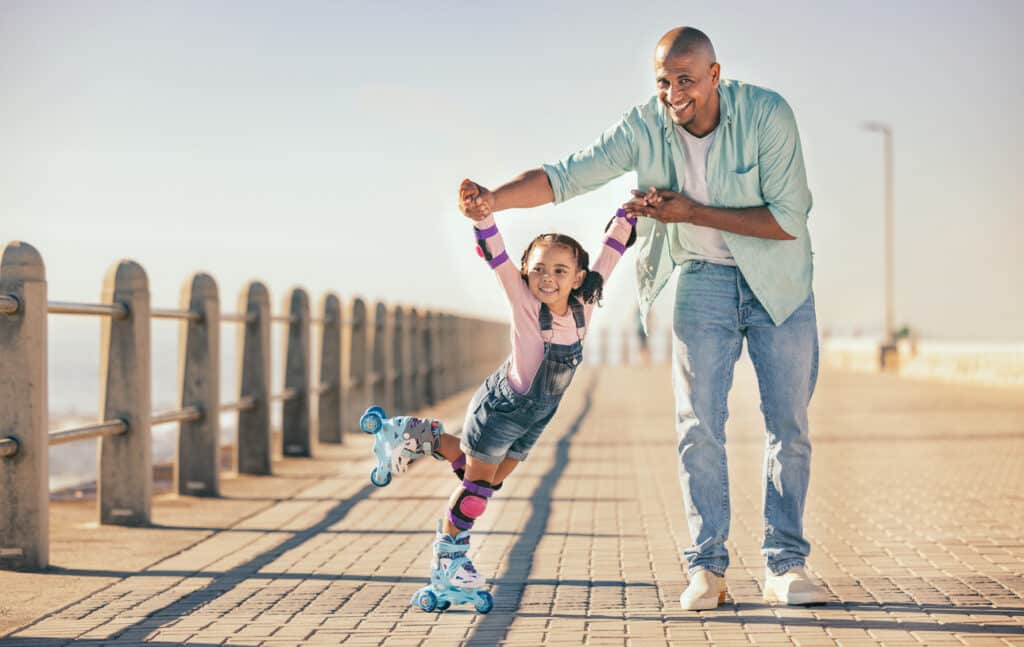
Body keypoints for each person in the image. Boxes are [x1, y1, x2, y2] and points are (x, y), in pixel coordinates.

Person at [458, 26, 828, 609]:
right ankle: (708, 569)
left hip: (779, 284)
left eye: (686, 80)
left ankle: (787, 564)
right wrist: (491, 201)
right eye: (663, 81)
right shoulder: (644, 126)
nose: (673, 93)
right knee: (697, 426)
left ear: (714, 75)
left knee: (788, 426)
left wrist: (690, 212)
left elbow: (788, 220)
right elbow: (566, 174)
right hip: (703, 281)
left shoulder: (767, 116)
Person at [396, 191, 636, 596]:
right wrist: (482, 217)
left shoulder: (585, 302)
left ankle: (419, 435)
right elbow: (496, 255)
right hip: (502, 408)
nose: (549, 277)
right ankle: (449, 559)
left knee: (493, 480)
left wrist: (630, 213)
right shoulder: (522, 300)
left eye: (561, 271)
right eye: (539, 268)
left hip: (538, 416)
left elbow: (613, 249)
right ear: (525, 271)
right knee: (474, 493)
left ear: (578, 277)